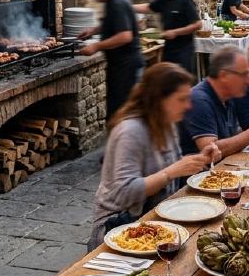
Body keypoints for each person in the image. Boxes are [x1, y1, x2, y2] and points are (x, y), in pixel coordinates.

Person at [90, 63, 221, 248]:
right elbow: (124, 191)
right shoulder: (130, 131)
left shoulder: (166, 123)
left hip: (157, 218)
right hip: (120, 228)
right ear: (159, 99)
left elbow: (170, 166)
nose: (189, 105)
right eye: (182, 99)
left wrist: (199, 159)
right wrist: (172, 172)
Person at [179, 47, 249, 156]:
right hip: (202, 172)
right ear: (224, 76)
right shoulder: (199, 100)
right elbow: (211, 151)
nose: (248, 81)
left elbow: (234, 136)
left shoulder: (228, 96)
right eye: (243, 75)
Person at [78, 0, 144, 120]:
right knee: (118, 108)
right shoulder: (112, 1)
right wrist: (94, 30)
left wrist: (96, 46)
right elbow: (114, 24)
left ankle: (122, 140)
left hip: (126, 66)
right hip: (121, 65)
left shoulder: (117, 3)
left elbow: (125, 36)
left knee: (121, 110)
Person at [134, 0, 201, 73]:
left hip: (183, 51)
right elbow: (148, 7)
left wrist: (176, 32)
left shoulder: (185, 2)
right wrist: (126, 6)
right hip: (168, 49)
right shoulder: (163, 0)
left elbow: (197, 24)